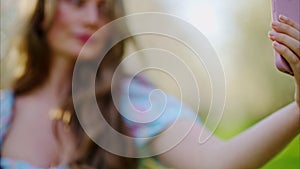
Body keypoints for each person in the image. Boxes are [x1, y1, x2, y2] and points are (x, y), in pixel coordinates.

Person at [0, 0, 299, 169]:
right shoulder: (4, 112)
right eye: (78, 3)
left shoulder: (129, 101)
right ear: (41, 12)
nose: (93, 18)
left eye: (103, 8)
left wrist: (298, 109)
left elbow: (217, 163)